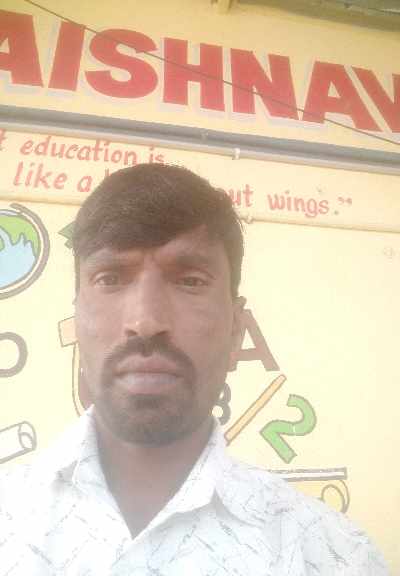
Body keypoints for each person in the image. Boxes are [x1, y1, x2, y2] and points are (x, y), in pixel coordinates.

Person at [0, 164, 388, 575]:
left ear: (237, 329)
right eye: (110, 278)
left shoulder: (335, 556)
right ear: (77, 319)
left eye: (190, 281)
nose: (145, 321)